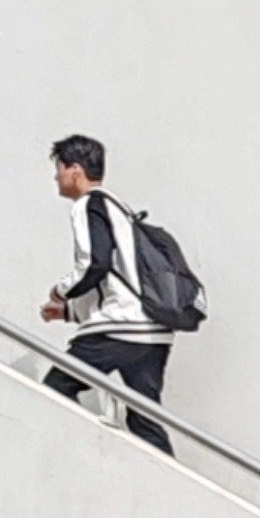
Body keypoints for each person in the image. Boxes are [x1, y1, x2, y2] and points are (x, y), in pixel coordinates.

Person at [38, 134, 175, 454]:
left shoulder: (88, 205)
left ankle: (81, 456)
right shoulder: (120, 209)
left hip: (119, 328)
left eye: (59, 169)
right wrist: (70, 312)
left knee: (55, 389)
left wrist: (60, 291)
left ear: (75, 170)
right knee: (145, 422)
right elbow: (118, 276)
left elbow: (94, 265)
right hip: (152, 331)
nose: (56, 177)